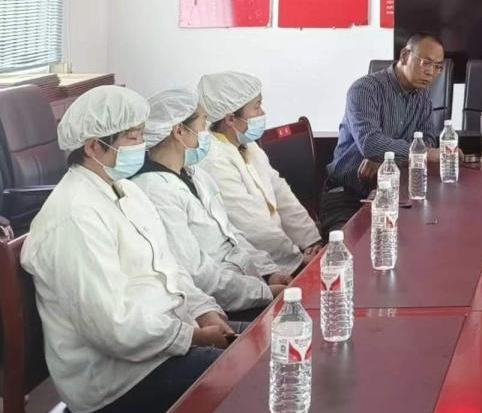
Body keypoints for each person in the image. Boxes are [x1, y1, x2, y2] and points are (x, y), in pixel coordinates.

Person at [21, 86, 235, 413]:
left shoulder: (126, 189)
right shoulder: (74, 216)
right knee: (241, 376)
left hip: (157, 347)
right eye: (133, 138)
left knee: (263, 343)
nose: (142, 146)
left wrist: (203, 312)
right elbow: (114, 327)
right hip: (115, 379)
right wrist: (192, 336)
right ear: (93, 146)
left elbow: (170, 269)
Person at [134, 87, 292, 321]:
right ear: (179, 131)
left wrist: (269, 272)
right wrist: (263, 292)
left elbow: (231, 234)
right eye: (203, 122)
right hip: (220, 306)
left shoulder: (195, 174)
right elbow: (197, 272)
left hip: (248, 287)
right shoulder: (154, 190)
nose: (207, 130)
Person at [197, 72, 322, 276]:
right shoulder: (214, 160)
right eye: (256, 107)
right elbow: (250, 224)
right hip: (254, 266)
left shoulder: (247, 144)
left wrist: (311, 241)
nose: (262, 112)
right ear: (230, 119)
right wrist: (297, 260)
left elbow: (280, 192)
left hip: (280, 252)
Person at [321, 33, 444, 232]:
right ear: (404, 56)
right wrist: (422, 154)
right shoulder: (365, 89)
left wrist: (387, 162)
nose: (431, 72)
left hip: (393, 194)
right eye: (426, 63)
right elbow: (371, 144)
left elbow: (427, 140)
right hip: (348, 195)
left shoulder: (422, 97)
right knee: (348, 246)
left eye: (438, 67)